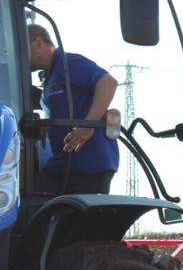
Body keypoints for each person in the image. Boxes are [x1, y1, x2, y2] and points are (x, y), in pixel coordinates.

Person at [28, 24, 119, 194]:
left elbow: (108, 83)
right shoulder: (50, 78)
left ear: (38, 43)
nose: (21, 56)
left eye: (23, 49)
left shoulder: (67, 63)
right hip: (64, 163)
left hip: (88, 165)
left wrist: (87, 126)